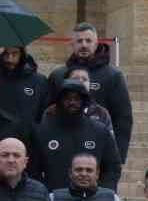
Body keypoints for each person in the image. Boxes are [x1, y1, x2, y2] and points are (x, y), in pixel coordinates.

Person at [47, 23, 133, 159]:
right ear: (72, 44)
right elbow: (49, 113)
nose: (84, 45)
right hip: (62, 147)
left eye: (88, 40)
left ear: (97, 43)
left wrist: (118, 156)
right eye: (79, 41)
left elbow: (123, 118)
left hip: (98, 150)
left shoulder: (113, 76)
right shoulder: (58, 76)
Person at [32, 79, 121, 191]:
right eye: (67, 98)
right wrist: (44, 195)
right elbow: (33, 170)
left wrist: (102, 193)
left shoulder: (100, 132)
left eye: (77, 99)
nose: (72, 102)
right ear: (59, 100)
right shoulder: (43, 131)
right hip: (53, 200)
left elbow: (112, 168)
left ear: (84, 101)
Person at [0, 45, 47, 124]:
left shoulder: (39, 81)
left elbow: (43, 112)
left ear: (22, 54)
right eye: (6, 53)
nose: (10, 59)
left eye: (15, 53)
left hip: (26, 134)